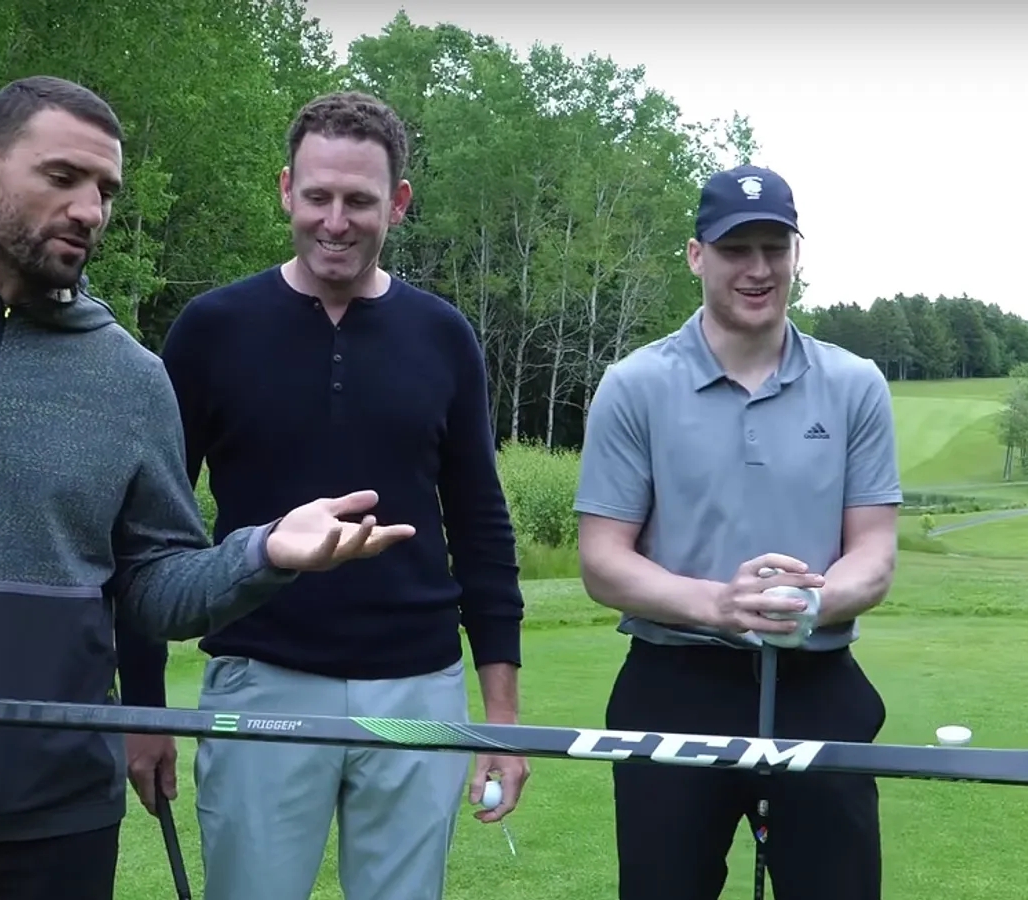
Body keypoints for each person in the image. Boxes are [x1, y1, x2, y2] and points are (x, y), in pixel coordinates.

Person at [0, 75, 411, 900]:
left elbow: (154, 587)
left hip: (57, 823)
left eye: (106, 190)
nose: (90, 209)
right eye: (62, 178)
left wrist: (264, 552)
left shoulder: (131, 376)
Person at [113, 90, 528, 900]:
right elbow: (149, 538)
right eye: (318, 197)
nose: (336, 221)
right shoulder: (210, 328)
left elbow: (481, 529)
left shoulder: (444, 337)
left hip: (419, 688)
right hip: (261, 679)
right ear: (285, 191)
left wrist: (501, 720)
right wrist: (145, 714)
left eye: (360, 201)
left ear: (397, 203)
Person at [572, 164, 902, 900]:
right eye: (735, 249)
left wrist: (814, 601)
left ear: (795, 256)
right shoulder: (636, 385)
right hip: (673, 684)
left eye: (774, 249)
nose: (758, 269)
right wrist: (720, 605)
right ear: (697, 255)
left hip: (818, 684)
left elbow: (874, 552)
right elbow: (602, 561)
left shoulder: (854, 384)